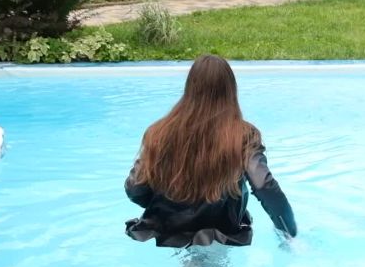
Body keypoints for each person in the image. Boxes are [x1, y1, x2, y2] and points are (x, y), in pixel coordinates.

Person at [124, 54, 297, 248]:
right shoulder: (243, 135)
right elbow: (264, 185)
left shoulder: (159, 132)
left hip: (169, 230)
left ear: (190, 88)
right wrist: (289, 231)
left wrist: (164, 208)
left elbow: (135, 188)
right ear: (230, 90)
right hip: (223, 231)